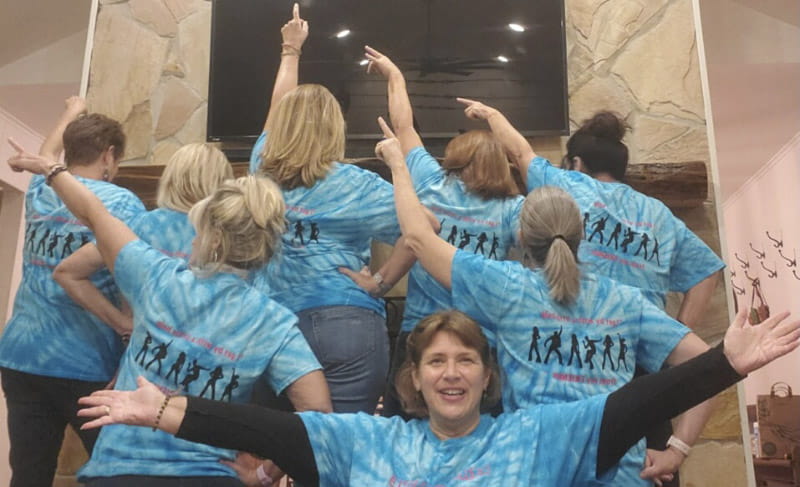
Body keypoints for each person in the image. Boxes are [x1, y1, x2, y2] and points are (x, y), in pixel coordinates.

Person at [75, 308, 800, 486]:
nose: (451, 372)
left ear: (487, 376)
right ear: (413, 379)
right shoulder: (371, 442)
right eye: (435, 362)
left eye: (466, 361)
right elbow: (273, 428)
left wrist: (724, 362)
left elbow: (634, 406)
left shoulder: (537, 436)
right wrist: (163, 409)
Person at [374, 119, 717, 486]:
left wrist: (397, 163)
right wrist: (676, 449)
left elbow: (419, 238)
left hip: (534, 472)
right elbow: (707, 365)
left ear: (521, 236)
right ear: (580, 235)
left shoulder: (505, 286)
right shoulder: (626, 300)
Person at [6, 140, 332, 486]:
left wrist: (51, 170)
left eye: (200, 231)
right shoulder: (275, 322)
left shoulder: (157, 277)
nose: (192, 241)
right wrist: (268, 473)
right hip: (213, 477)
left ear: (215, 240)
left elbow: (93, 214)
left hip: (121, 473)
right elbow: (319, 411)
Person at [248, 4, 413, 415]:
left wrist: (291, 50)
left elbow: (277, 110)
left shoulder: (261, 168)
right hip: (347, 322)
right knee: (339, 456)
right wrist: (379, 281)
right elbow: (421, 230)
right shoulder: (357, 185)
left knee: (272, 451)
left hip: (270, 323)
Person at [350, 46, 522, 417]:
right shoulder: (512, 210)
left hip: (420, 337)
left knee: (404, 434)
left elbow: (404, 127)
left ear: (458, 155)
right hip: (478, 347)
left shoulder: (430, 182)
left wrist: (395, 75)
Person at [0, 98, 146, 487]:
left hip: (21, 357)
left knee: (28, 474)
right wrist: (126, 326)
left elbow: (47, 154)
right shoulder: (122, 203)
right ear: (109, 155)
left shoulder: (40, 188)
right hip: (87, 362)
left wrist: (70, 110)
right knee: (113, 473)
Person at [54, 143, 233, 331]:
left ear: (170, 178)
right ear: (223, 184)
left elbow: (67, 273)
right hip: (202, 352)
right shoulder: (224, 239)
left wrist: (122, 324)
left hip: (142, 351)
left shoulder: (138, 225)